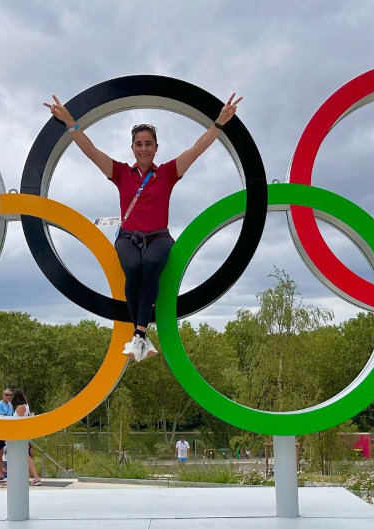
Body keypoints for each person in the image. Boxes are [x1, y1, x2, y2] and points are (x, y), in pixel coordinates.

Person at [44, 92, 243, 362]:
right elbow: (90, 151)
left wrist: (219, 123)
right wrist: (70, 122)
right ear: (133, 148)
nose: (144, 148)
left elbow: (197, 149)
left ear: (156, 147)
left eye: (149, 143)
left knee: (150, 264)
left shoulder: (169, 173)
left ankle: (138, 336)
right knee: (134, 267)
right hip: (128, 237)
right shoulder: (121, 173)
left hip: (159, 237)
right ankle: (141, 336)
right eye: (139, 144)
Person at [0, 389, 42, 487]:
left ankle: (34, 477)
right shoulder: (25, 406)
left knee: (18, 458)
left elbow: (19, 424)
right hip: (20, 437)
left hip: (17, 437)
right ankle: (30, 478)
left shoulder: (20, 408)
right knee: (24, 458)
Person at [0, 387, 13, 481]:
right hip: (0, 431)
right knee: (0, 452)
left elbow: (12, 416)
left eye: (10, 395)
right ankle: (1, 472)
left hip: (9, 431)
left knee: (10, 451)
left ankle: (9, 471)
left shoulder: (10, 405)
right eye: (7, 395)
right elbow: (1, 417)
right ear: (3, 395)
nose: (9, 396)